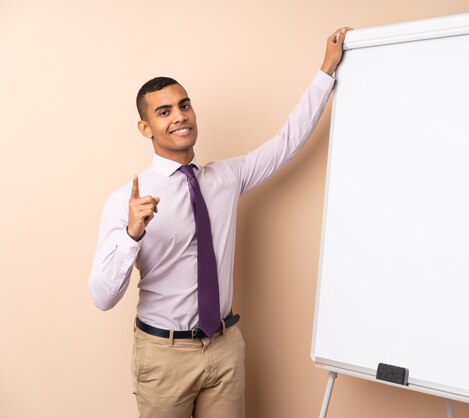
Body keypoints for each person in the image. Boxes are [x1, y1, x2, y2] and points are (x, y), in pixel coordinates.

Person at [87, 27, 352, 418]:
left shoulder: (225, 177)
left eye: (184, 105)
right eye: (164, 112)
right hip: (164, 355)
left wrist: (326, 71)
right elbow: (102, 296)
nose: (180, 117)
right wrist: (131, 235)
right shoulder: (127, 201)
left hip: (225, 347)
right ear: (146, 128)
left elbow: (287, 141)